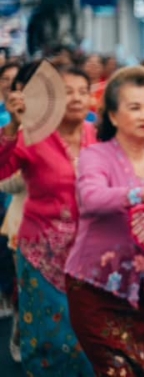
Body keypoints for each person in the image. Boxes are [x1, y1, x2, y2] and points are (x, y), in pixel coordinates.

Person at [65, 67, 144, 376]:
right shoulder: (95, 156)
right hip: (97, 288)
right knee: (116, 371)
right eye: (134, 107)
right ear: (113, 116)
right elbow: (92, 199)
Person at [0, 63, 96, 375]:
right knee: (51, 341)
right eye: (67, 92)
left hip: (93, 255)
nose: (77, 98)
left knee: (91, 339)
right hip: (43, 255)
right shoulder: (31, 135)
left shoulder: (100, 135)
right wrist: (13, 128)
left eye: (83, 91)